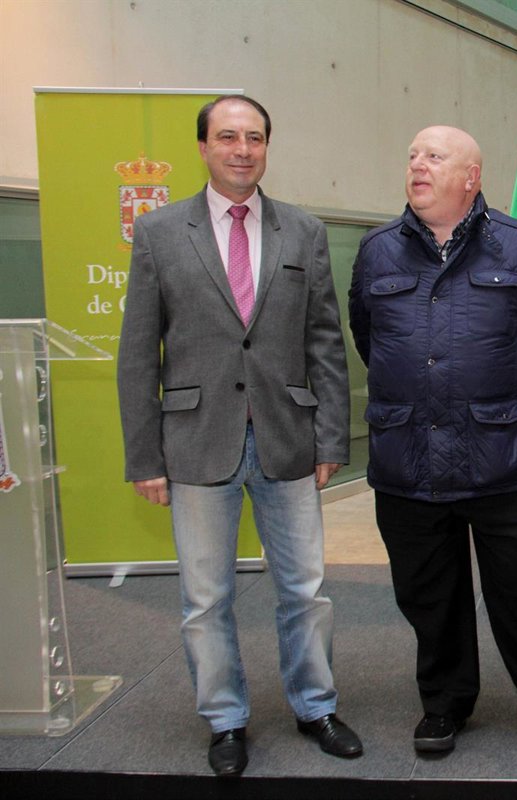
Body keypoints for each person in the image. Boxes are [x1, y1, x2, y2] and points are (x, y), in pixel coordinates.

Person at [117, 95, 361, 778]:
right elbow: (138, 354)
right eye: (228, 137)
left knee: (305, 589)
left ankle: (316, 707)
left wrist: (331, 439)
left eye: (254, 137)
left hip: (287, 439)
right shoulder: (160, 231)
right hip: (195, 442)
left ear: (266, 147)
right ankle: (225, 720)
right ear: (203, 147)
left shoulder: (303, 231)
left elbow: (324, 342)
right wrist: (144, 455)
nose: (242, 149)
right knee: (206, 599)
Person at [348, 125, 517, 754]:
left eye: (434, 157)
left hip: (499, 457)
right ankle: (445, 703)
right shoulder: (377, 250)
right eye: (413, 155)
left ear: (471, 177)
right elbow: (369, 337)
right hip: (407, 457)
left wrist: (492, 394)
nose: (418, 165)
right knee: (429, 594)